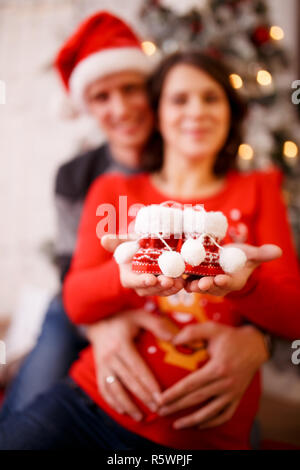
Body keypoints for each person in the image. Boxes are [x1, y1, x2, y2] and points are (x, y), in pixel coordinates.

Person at [0, 50, 299, 450]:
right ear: (157, 113)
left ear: (231, 111)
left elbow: (293, 315)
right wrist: (122, 277)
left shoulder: (259, 187)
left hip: (204, 432)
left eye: (211, 98)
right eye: (179, 99)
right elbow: (75, 301)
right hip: (89, 404)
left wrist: (244, 290)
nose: (197, 111)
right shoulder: (115, 191)